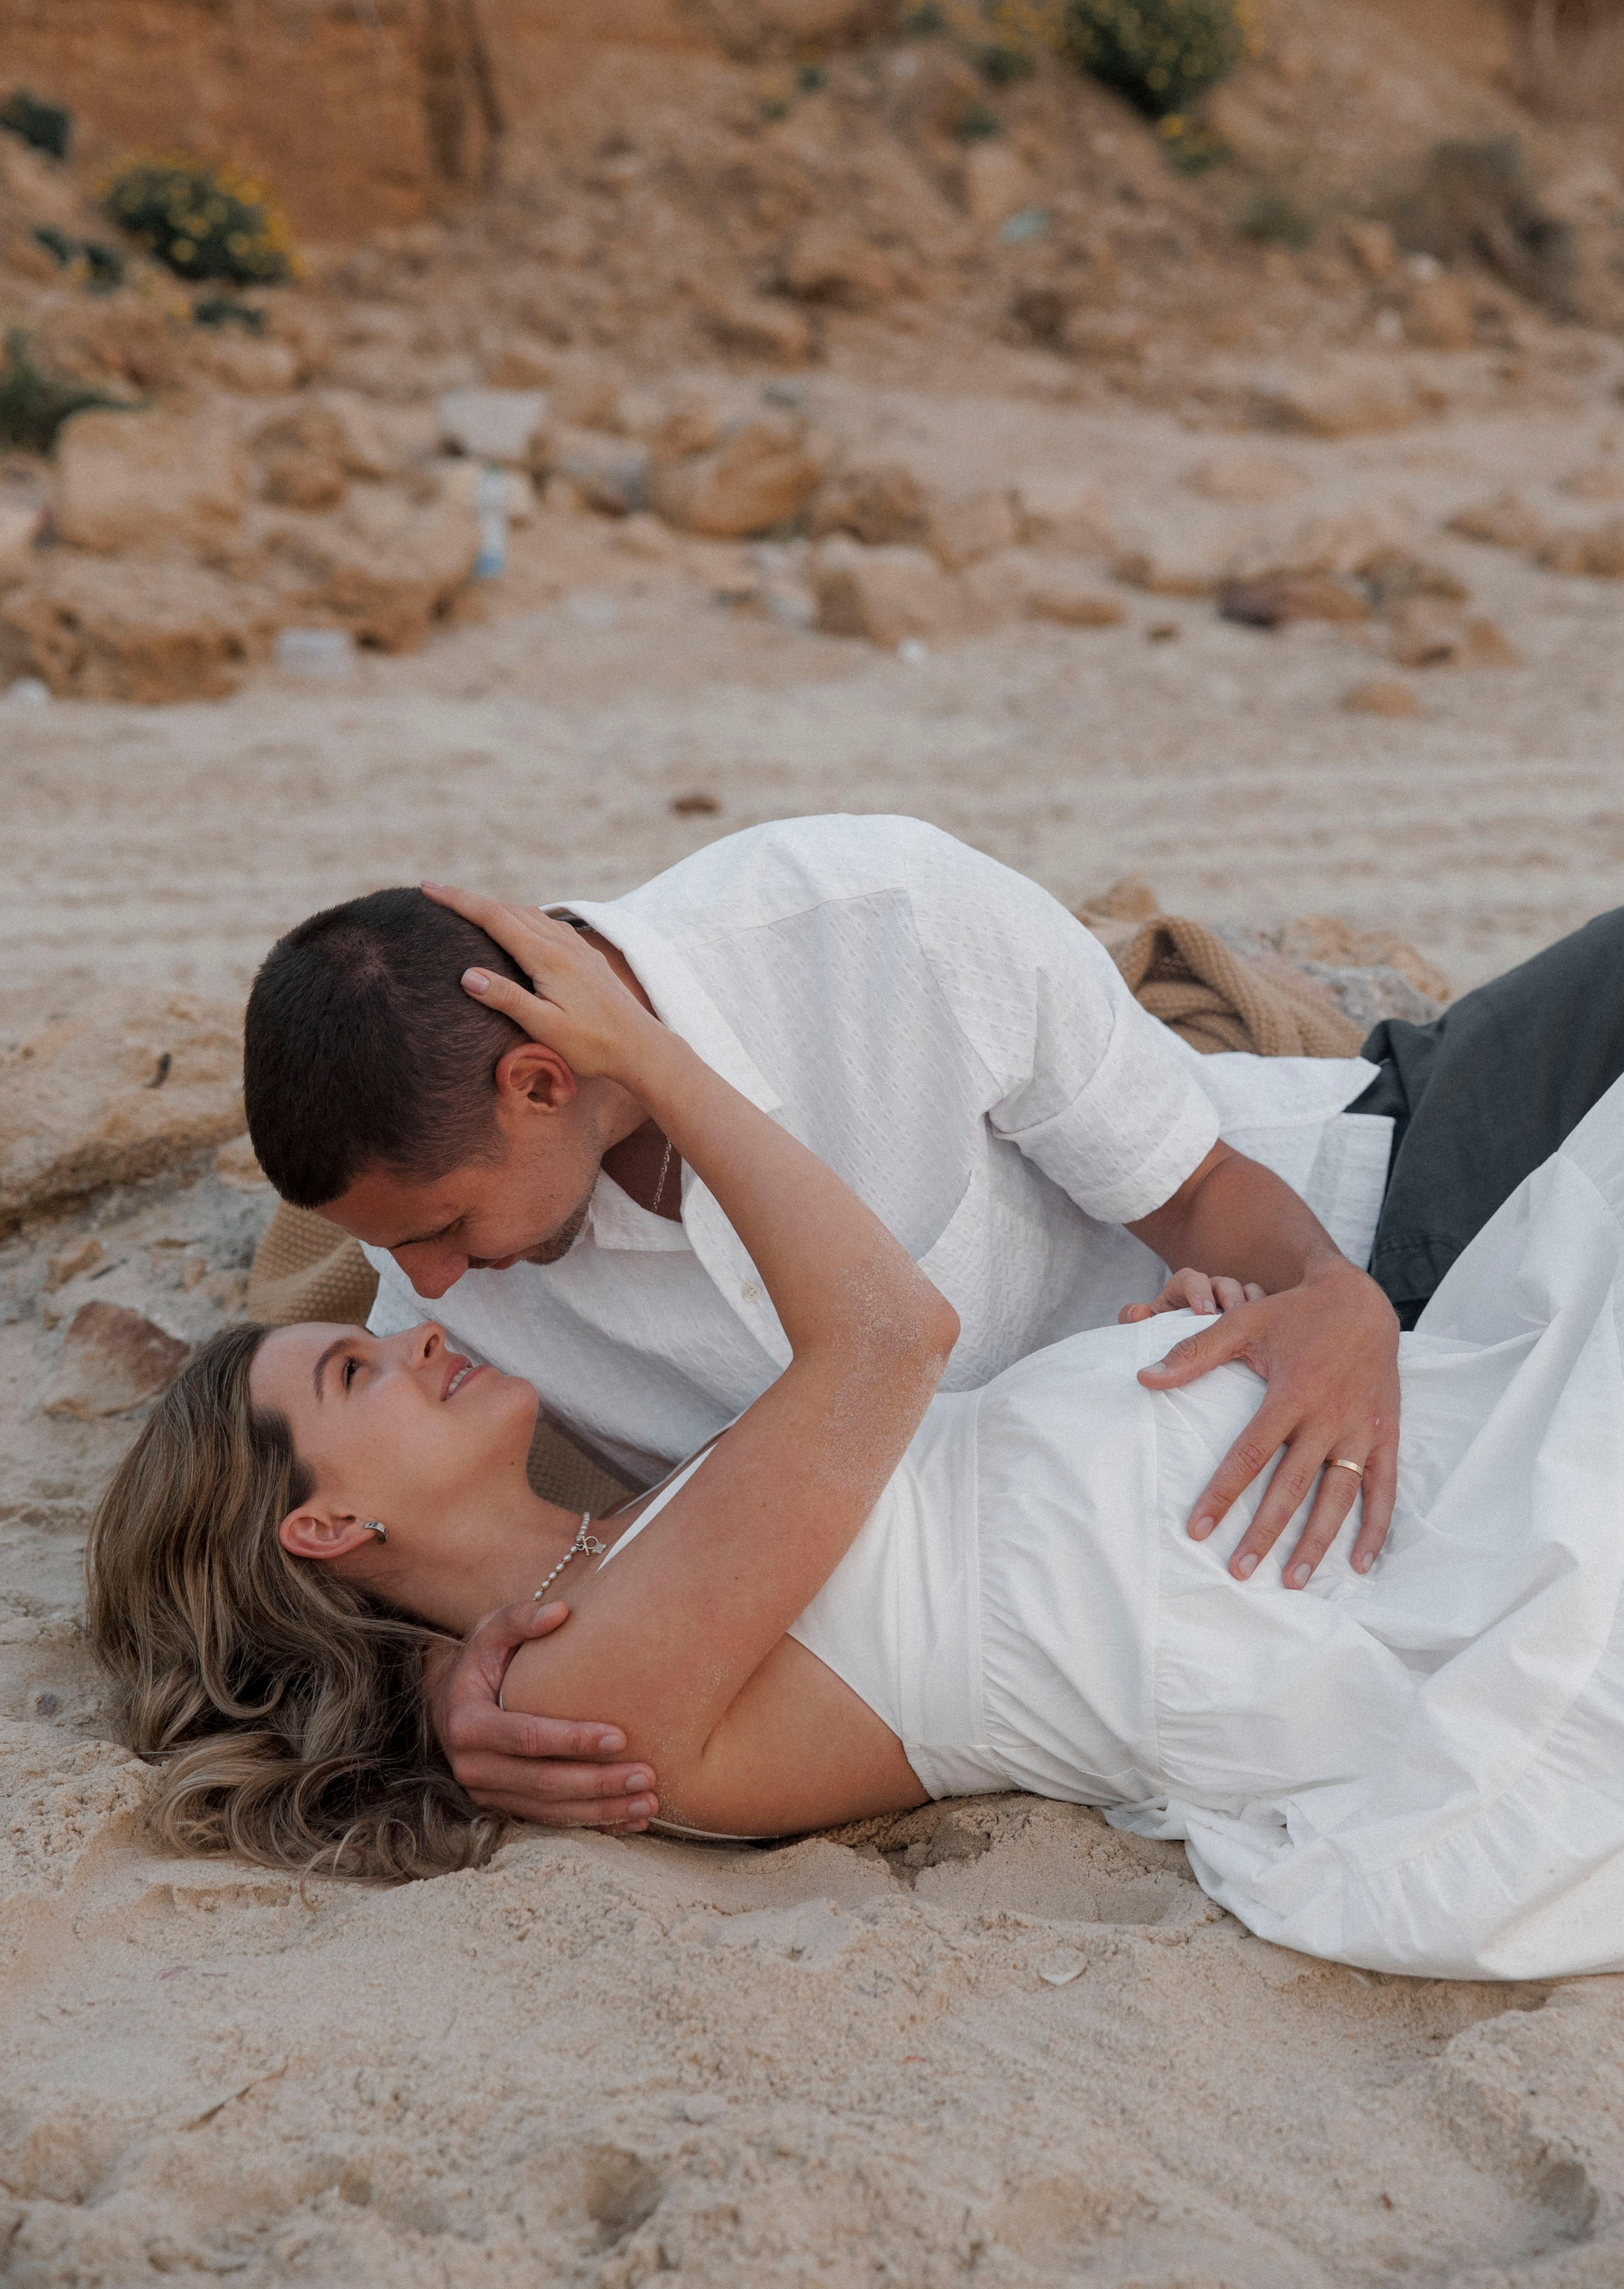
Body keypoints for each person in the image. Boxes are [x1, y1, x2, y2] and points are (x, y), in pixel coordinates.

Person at [92, 897, 1624, 1980]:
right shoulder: (568, 1690)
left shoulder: (578, 1592)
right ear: (326, 1528)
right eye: (361, 1371)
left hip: (1333, 1443)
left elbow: (925, 1464)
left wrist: (1147, 1344)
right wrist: (657, 1063)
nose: (421, 1315)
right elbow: (888, 1339)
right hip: (1343, 1576)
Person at [244, 817, 1405, 1830]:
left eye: (438, 1227)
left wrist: (1333, 1288)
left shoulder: (885, 919)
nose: (429, 1290)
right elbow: (407, 1560)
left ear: (545, 1083)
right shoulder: (459, 1317)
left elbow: (1201, 1195)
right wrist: (446, 1684)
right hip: (1223, 1539)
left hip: (1361, 1239)